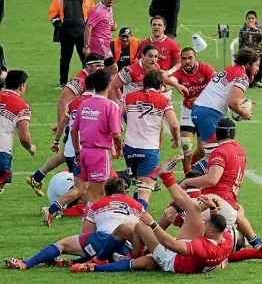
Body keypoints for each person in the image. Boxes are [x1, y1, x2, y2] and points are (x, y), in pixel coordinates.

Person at [70, 160, 234, 274]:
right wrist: (258, 251)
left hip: (172, 260)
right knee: (190, 211)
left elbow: (171, 244)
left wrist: (153, 224)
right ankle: (167, 177)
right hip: (182, 254)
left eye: (207, 225)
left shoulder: (205, 247)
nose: (204, 225)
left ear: (211, 230)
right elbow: (234, 253)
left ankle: (97, 264)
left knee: (141, 234)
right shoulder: (225, 241)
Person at [5, 177, 142, 270]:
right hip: (128, 246)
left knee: (62, 244)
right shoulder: (137, 205)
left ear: (106, 192)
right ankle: (110, 258)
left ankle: (26, 264)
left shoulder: (96, 204)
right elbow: (142, 232)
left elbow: (87, 233)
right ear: (125, 192)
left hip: (101, 239)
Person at [26, 54, 104, 197]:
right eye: (98, 65)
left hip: (77, 121)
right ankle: (70, 197)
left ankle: (36, 177)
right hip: (76, 124)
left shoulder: (90, 79)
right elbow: (63, 101)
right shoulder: (80, 80)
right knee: (72, 156)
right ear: (89, 66)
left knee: (64, 154)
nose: (101, 68)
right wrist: (63, 123)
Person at [120, 69, 180, 210]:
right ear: (160, 86)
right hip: (149, 150)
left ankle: (130, 215)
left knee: (138, 184)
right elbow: (175, 125)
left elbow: (116, 115)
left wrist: (116, 138)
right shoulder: (163, 101)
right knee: (145, 191)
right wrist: (176, 139)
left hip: (129, 149)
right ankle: (136, 225)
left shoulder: (127, 97)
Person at [179, 118, 246, 230]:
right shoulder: (241, 152)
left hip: (217, 203)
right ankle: (256, 243)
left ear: (217, 133)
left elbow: (212, 179)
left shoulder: (219, 151)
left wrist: (186, 182)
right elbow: (239, 182)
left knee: (181, 215)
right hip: (231, 206)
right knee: (217, 242)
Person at [191, 48, 258, 156]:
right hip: (209, 114)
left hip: (199, 110)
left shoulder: (231, 68)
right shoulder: (242, 77)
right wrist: (244, 113)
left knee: (201, 151)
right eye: (256, 65)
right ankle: (190, 172)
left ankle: (189, 171)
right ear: (248, 64)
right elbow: (232, 102)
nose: (258, 68)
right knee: (215, 156)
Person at [71, 69, 123, 204]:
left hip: (84, 152)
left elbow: (73, 130)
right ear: (109, 84)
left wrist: (77, 152)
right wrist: (119, 148)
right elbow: (117, 135)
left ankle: (88, 218)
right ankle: (91, 221)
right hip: (99, 154)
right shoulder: (111, 106)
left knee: (89, 190)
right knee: (99, 192)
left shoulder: (84, 104)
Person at [172, 47, 216, 174]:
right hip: (188, 111)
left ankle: (191, 164)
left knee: (202, 150)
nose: (187, 61)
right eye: (184, 58)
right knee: (186, 146)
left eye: (190, 58)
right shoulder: (179, 72)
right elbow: (171, 80)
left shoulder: (206, 68)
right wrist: (175, 84)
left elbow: (216, 86)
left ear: (195, 58)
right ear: (180, 60)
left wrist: (199, 98)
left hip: (204, 112)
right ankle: (187, 175)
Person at [48, 0, 95, 89]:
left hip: (82, 34)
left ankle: (89, 82)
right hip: (66, 34)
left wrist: (89, 28)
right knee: (65, 59)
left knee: (85, 58)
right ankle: (63, 82)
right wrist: (59, 25)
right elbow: (52, 13)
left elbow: (93, 14)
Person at [109, 43, 187, 102]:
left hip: (147, 106)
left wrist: (176, 85)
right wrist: (115, 109)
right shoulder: (129, 71)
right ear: (142, 56)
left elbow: (161, 78)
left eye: (156, 56)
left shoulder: (156, 66)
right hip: (131, 108)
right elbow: (112, 87)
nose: (153, 59)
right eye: (150, 56)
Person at [0, 71, 36, 194]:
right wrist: (31, 147)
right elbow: (24, 138)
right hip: (2, 152)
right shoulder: (22, 107)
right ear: (22, 85)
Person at [83, 0, 118, 75]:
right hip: (100, 42)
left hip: (105, 42)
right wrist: (86, 46)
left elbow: (106, 22)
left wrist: (113, 26)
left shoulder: (109, 8)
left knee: (100, 69)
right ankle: (112, 88)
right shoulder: (98, 11)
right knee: (113, 69)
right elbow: (88, 28)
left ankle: (98, 87)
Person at [238, 10, 262, 88]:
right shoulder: (243, 29)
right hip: (246, 52)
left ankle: (257, 80)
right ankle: (247, 81)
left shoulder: (260, 28)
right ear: (246, 19)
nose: (250, 20)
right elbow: (241, 42)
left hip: (257, 52)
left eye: (252, 18)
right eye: (249, 18)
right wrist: (239, 52)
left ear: (256, 19)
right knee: (244, 61)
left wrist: (255, 29)